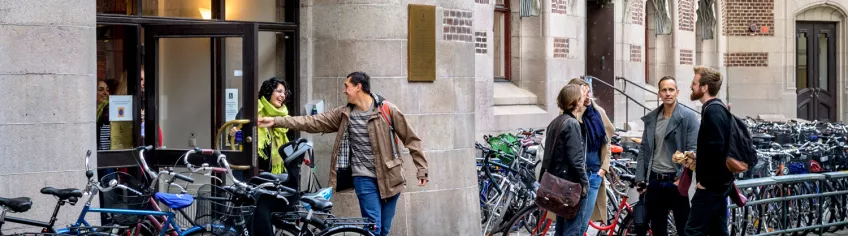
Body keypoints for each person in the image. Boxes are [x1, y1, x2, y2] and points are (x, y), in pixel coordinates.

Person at [258, 71, 429, 236]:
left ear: (358, 87)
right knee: (373, 227)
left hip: (391, 177)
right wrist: (276, 121)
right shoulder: (344, 114)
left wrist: (422, 169)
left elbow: (411, 139)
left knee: (384, 228)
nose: (344, 90)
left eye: (347, 86)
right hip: (364, 177)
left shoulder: (386, 109)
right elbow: (312, 121)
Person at [633, 76, 699, 236]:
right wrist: (640, 178)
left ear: (677, 92)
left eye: (671, 90)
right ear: (659, 94)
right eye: (664, 90)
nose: (668, 93)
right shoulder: (653, 118)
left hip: (676, 181)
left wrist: (679, 178)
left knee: (684, 228)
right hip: (655, 180)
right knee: (658, 228)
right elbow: (644, 149)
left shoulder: (688, 117)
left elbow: (693, 150)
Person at [685, 66, 733, 236]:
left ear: (704, 87)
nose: (691, 86)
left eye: (694, 83)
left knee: (692, 231)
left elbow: (717, 148)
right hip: (720, 185)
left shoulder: (713, 110)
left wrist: (705, 183)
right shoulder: (716, 108)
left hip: (711, 187)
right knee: (718, 231)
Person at [539, 84, 588, 236]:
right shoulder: (572, 124)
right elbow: (576, 159)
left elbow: (547, 155)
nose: (583, 101)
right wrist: (585, 182)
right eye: (581, 98)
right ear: (575, 101)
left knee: (561, 227)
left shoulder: (556, 122)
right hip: (570, 184)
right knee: (572, 229)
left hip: (557, 181)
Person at [567, 78, 615, 231]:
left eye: (589, 92)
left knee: (582, 225)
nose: (587, 97)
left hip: (593, 174)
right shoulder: (570, 115)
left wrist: (603, 169)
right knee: (572, 225)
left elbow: (606, 141)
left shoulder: (598, 112)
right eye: (583, 93)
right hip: (574, 177)